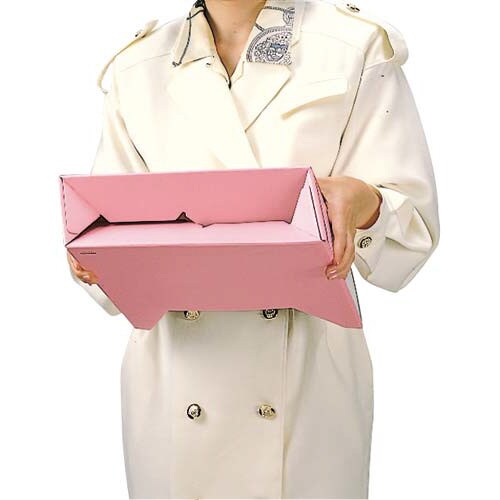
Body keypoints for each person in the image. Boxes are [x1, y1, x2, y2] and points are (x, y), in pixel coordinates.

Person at [66, 0, 440, 498]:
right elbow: (105, 250)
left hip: (307, 384)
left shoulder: (354, 46)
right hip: (175, 389)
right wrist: (95, 256)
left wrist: (364, 203)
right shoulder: (137, 66)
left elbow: (412, 234)